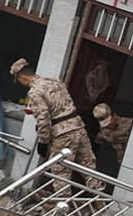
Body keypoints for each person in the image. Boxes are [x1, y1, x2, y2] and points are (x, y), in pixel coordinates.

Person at [12, 58, 99, 191]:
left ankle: (62, 208)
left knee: (61, 173)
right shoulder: (55, 82)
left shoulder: (35, 92)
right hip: (78, 127)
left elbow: (43, 118)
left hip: (62, 134)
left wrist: (44, 142)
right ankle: (99, 201)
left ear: (22, 77)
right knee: (88, 167)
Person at [92, 102, 133, 177]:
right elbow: (98, 141)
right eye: (105, 125)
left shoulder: (130, 123)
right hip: (124, 163)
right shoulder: (103, 133)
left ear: (114, 116)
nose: (108, 126)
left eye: (109, 123)